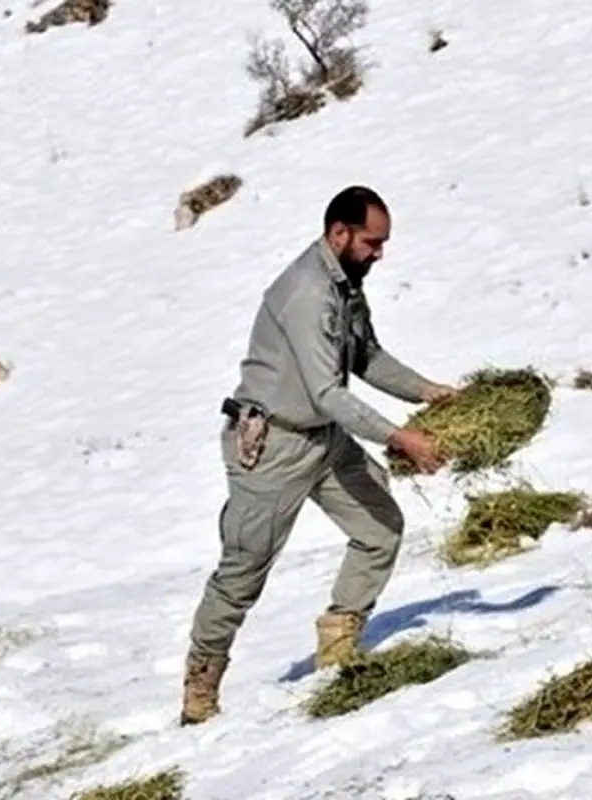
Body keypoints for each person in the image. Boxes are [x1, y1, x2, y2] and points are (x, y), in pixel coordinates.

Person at [179, 185, 457, 726]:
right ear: (340, 233)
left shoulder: (345, 283)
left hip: (323, 438)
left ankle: (338, 648)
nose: (380, 253)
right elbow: (328, 391)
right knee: (244, 570)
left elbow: (365, 357)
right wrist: (401, 439)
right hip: (274, 445)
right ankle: (200, 686)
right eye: (373, 242)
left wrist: (429, 392)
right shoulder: (308, 292)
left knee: (380, 526)